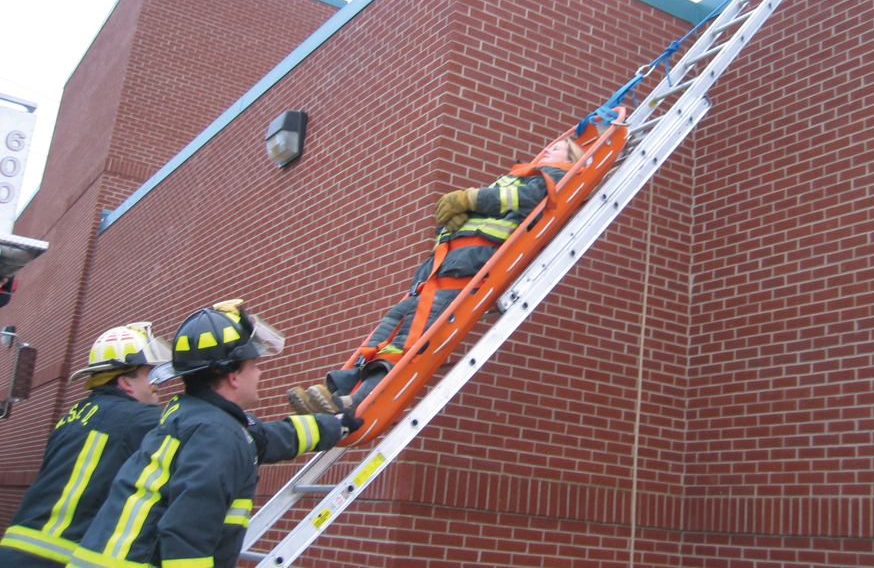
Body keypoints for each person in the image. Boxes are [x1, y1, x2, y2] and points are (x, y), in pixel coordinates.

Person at [287, 136, 585, 416]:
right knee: (386, 331)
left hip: (463, 273)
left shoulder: (554, 178)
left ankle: (355, 401)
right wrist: (456, 217)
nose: (548, 149)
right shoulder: (516, 179)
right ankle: (335, 390)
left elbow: (523, 198)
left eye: (557, 147)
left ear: (570, 158)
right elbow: (485, 215)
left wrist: (471, 198)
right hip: (437, 272)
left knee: (409, 341)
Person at [66, 299, 362, 568]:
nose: (259, 374)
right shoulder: (216, 434)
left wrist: (335, 426)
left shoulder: (195, 416)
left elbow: (263, 439)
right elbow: (186, 536)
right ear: (233, 375)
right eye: (254, 365)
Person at [0, 323, 171, 567]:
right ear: (126, 382)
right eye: (150, 374)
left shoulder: (73, 416)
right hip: (57, 558)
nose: (157, 384)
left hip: (14, 551)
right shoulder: (137, 417)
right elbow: (191, 429)